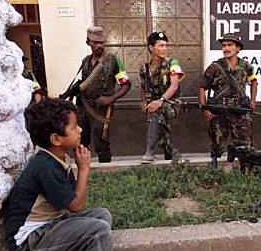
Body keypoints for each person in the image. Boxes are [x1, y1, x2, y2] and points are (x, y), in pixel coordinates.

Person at [3, 98, 113, 251]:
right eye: (74, 127)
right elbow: (76, 206)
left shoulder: (58, 158)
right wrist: (84, 168)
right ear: (56, 139)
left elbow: (71, 203)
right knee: (98, 231)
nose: (80, 130)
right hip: (27, 241)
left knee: (102, 215)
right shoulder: (45, 167)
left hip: (49, 225)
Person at [198, 33, 258, 167]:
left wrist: (253, 100)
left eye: (230, 45)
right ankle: (215, 172)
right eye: (224, 45)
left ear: (238, 48)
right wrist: (204, 108)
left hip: (240, 112)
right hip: (220, 112)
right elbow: (202, 87)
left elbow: (253, 81)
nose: (226, 48)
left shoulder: (246, 66)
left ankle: (246, 174)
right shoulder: (215, 67)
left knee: (245, 146)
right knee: (217, 146)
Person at [77, 26, 131, 163]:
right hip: (84, 106)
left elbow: (126, 84)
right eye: (95, 42)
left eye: (101, 42)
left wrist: (111, 98)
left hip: (101, 109)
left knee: (101, 141)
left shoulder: (113, 61)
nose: (99, 46)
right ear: (88, 42)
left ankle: (105, 168)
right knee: (80, 140)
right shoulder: (85, 62)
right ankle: (84, 169)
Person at [139, 31, 185, 163]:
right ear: (151, 47)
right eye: (160, 46)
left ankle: (150, 151)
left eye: (165, 45)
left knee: (156, 111)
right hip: (155, 103)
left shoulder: (172, 63)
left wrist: (161, 100)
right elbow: (142, 86)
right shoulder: (144, 68)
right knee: (159, 118)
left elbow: (174, 85)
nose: (164, 49)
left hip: (171, 103)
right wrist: (143, 102)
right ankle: (169, 151)